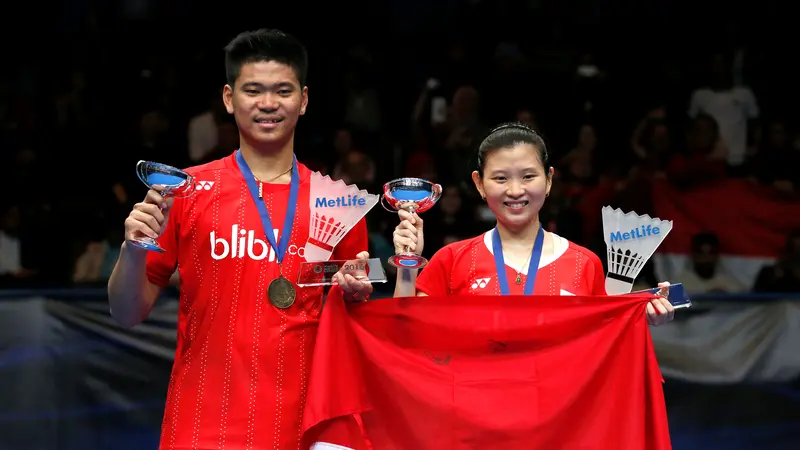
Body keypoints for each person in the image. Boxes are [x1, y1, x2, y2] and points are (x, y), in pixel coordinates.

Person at [107, 29, 373, 449]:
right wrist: (132, 250)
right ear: (230, 99)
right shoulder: (185, 190)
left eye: (282, 91)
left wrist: (360, 292)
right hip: (200, 427)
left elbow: (356, 307)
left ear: (303, 100)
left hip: (303, 428)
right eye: (254, 90)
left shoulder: (339, 203)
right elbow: (125, 313)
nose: (268, 103)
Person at [392, 122, 674, 326]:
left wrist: (644, 317)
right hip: (474, 405)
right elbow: (406, 329)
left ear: (549, 179)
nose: (515, 190)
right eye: (501, 178)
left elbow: (604, 343)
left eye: (528, 177)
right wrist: (408, 265)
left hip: (557, 407)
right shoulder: (452, 261)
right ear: (479, 183)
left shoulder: (584, 264)